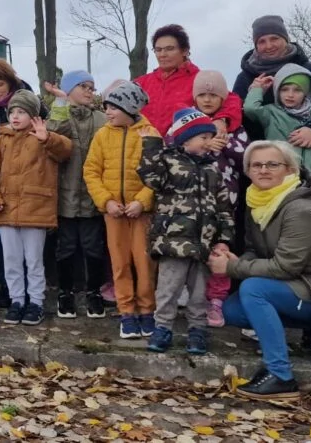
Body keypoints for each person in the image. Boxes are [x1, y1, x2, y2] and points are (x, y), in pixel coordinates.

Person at [208, 140, 311, 401]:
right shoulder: (258, 203)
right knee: (233, 310)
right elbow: (255, 251)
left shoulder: (301, 208)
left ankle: (280, 376)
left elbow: (285, 266)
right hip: (303, 281)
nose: (264, 170)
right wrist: (234, 258)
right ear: (247, 171)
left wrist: (232, 267)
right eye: (256, 165)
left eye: (273, 164)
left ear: (290, 170)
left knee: (254, 290)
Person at [138, 108, 234, 355]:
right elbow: (150, 178)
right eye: (203, 137)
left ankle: (198, 330)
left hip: (203, 244)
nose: (208, 142)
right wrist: (150, 144)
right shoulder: (168, 162)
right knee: (168, 289)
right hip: (174, 242)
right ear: (185, 139)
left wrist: (223, 240)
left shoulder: (213, 170)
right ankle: (162, 328)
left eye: (209, 137)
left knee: (200, 292)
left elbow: (224, 208)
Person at [0, 90, 72, 326]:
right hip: (6, 210)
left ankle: (36, 302)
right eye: (12, 111)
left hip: (36, 209)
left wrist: (47, 138)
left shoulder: (42, 137)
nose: (15, 116)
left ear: (33, 115)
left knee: (34, 261)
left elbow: (65, 151)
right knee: (11, 260)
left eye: (21, 112)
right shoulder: (0, 140)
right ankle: (17, 301)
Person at [83, 81, 160, 339]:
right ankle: (126, 311)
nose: (108, 112)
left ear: (129, 107)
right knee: (120, 263)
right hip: (114, 213)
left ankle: (147, 311)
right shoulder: (102, 136)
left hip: (142, 214)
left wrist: (142, 201)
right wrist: (106, 201)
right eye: (106, 107)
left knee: (145, 262)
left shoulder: (151, 134)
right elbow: (92, 171)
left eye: (113, 107)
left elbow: (158, 174)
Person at [0, 58, 48, 308]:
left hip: (29, 189)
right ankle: (10, 286)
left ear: (10, 83)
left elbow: (54, 137)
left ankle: (34, 293)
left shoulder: (32, 105)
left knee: (33, 249)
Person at [43, 70, 108, 320]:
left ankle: (94, 292)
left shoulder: (102, 119)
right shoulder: (62, 115)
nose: (90, 91)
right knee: (66, 248)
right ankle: (65, 293)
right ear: (70, 90)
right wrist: (60, 101)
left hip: (93, 196)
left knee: (94, 247)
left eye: (92, 87)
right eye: (83, 86)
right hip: (65, 197)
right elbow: (51, 131)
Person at [191, 70, 249, 326]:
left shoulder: (234, 127)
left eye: (212, 95)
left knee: (220, 252)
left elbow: (246, 157)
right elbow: (173, 148)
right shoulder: (188, 124)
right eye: (202, 94)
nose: (207, 99)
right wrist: (204, 145)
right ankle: (194, 297)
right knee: (193, 252)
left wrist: (222, 144)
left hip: (225, 205)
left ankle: (217, 301)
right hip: (191, 205)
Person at [232, 15, 311, 144]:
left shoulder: (307, 69)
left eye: (274, 38)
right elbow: (234, 113)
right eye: (261, 41)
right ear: (256, 46)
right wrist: (254, 93)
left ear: (286, 39)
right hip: (261, 155)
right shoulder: (246, 77)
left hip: (308, 151)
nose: (269, 46)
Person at [134, 24, 243, 141]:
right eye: (158, 50)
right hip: (141, 151)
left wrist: (222, 120)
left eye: (169, 49)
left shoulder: (201, 80)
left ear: (185, 51)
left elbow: (232, 101)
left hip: (182, 152)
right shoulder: (140, 83)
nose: (162, 54)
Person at [242, 64, 311, 182]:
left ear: (306, 93)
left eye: (297, 90)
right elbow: (250, 109)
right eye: (284, 89)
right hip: (280, 180)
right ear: (277, 91)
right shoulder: (271, 113)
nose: (290, 95)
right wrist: (258, 89)